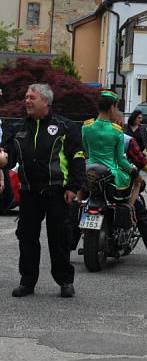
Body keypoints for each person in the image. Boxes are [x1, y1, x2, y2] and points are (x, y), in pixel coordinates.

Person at [2, 83, 85, 298]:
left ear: (46, 102)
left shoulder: (64, 126)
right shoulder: (19, 128)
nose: (26, 101)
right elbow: (9, 156)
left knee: (59, 238)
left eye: (32, 97)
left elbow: (77, 157)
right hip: (29, 192)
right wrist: (3, 159)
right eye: (26, 97)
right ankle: (27, 281)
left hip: (57, 192)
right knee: (27, 238)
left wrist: (74, 187)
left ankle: (65, 281)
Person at [114, 111, 147, 267]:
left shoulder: (90, 130)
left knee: (82, 204)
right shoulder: (124, 139)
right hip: (119, 181)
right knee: (142, 214)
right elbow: (140, 161)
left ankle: (70, 244)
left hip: (94, 179)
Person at [82, 91, 142, 209]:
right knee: (138, 182)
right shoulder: (116, 131)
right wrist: (135, 174)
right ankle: (128, 211)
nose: (116, 111)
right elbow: (121, 161)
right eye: (116, 107)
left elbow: (86, 153)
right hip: (111, 177)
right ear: (111, 108)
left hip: (90, 175)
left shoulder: (86, 127)